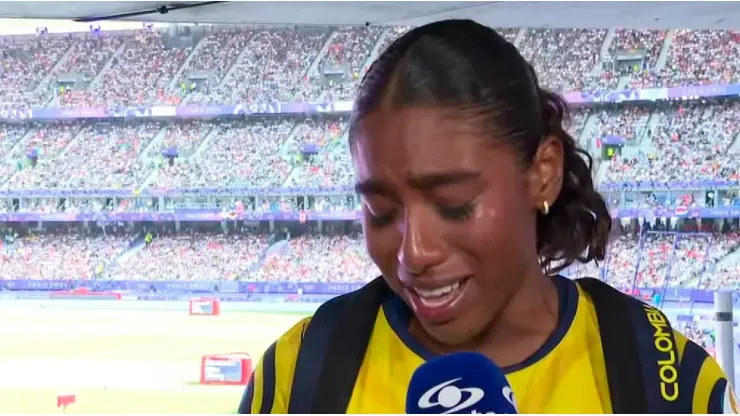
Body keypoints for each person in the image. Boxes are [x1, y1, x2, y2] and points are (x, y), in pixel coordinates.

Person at [239, 20, 738, 414]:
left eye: (454, 204)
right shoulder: (300, 372)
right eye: (381, 210)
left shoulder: (668, 381)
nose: (414, 253)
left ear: (543, 174)